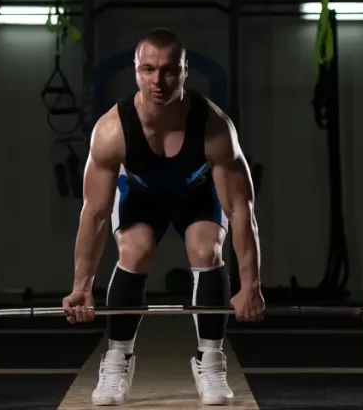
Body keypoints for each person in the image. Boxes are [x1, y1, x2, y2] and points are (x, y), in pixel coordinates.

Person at [62, 28, 265, 406]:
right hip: (141, 196)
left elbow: (240, 209)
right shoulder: (112, 131)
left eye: (169, 70)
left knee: (207, 251)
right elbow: (94, 214)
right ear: (135, 70)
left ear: (186, 69)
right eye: (148, 69)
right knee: (135, 251)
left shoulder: (215, 127)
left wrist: (250, 284)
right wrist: (82, 285)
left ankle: (211, 360)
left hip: (196, 194)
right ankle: (117, 360)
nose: (158, 80)